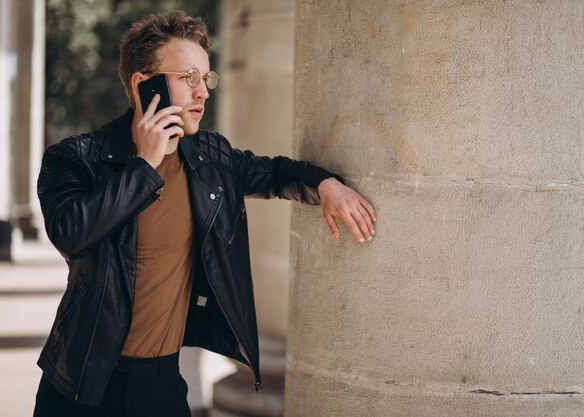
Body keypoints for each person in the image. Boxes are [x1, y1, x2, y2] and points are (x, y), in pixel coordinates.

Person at [33, 10, 376, 417]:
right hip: (79, 383)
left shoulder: (209, 158)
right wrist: (145, 166)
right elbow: (71, 232)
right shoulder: (76, 158)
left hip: (161, 385)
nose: (203, 93)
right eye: (188, 78)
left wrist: (325, 184)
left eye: (206, 78)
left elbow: (273, 172)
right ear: (145, 85)